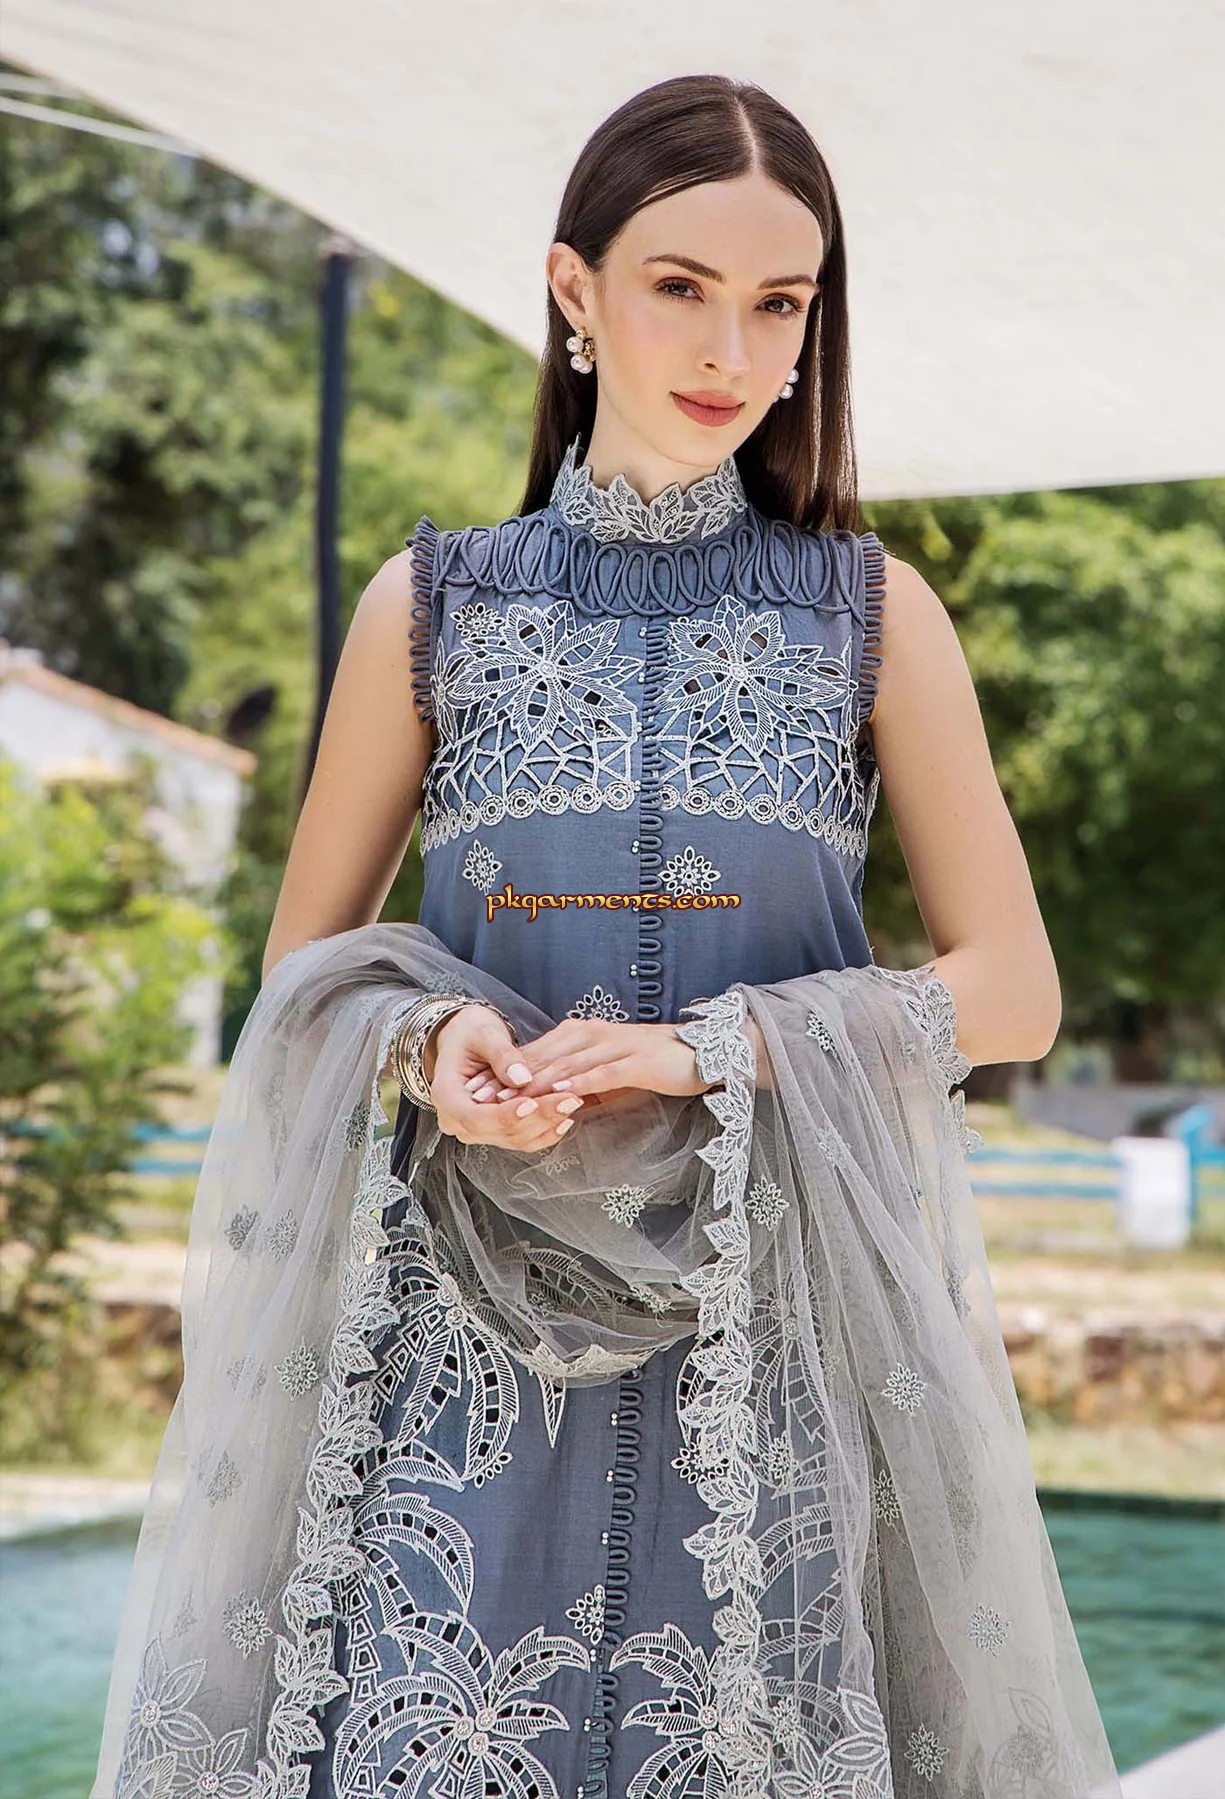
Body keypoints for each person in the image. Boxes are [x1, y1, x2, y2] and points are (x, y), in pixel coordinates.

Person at [95, 72, 1119, 1799]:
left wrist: (705, 1050)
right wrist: (430, 1042)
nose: (730, 348)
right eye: (679, 287)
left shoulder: (873, 617)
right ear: (573, 292)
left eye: (778, 304)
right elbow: (300, 978)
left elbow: (1012, 990)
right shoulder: (433, 608)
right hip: (464, 1332)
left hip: (777, 1343)